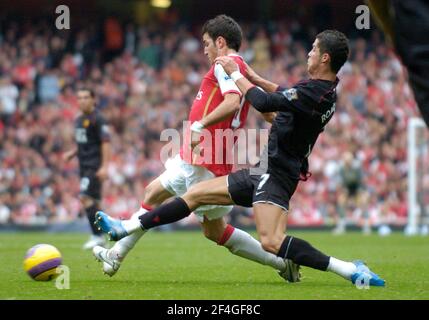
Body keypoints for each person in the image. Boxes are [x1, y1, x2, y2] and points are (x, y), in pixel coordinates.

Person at [96, 30, 385, 286]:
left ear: (324, 58)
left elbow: (263, 102)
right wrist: (256, 78)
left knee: (271, 241)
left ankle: (348, 270)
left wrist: (236, 73)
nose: (307, 53)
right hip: (263, 170)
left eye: (312, 49)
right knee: (195, 194)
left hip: (277, 175)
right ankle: (127, 227)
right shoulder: (322, 90)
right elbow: (283, 94)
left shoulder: (316, 92)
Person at [93, 15, 298, 282]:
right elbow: (265, 111)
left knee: (214, 231)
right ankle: (116, 255)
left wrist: (199, 126)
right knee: (155, 193)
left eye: (206, 43)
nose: (204, 49)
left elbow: (232, 102)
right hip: (205, 154)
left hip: (206, 155)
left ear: (220, 41)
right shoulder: (241, 69)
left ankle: (282, 263)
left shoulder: (224, 65)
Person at [63, 88, 111, 250]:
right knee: (95, 202)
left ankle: (97, 236)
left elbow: (105, 143)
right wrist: (72, 153)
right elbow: (84, 142)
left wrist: (104, 166)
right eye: (79, 97)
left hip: (94, 166)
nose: (82, 100)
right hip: (83, 165)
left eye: (85, 97)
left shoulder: (99, 119)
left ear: (93, 99)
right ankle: (109, 231)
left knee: (85, 197)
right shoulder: (78, 120)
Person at [332, 152, 371, 235]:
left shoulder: (357, 167)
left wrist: (360, 191)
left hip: (358, 188)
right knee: (341, 201)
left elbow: (361, 181)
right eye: (346, 161)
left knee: (364, 202)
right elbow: (341, 182)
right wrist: (344, 189)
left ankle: (366, 226)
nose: (347, 163)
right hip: (348, 189)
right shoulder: (342, 168)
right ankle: (341, 226)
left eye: (349, 161)